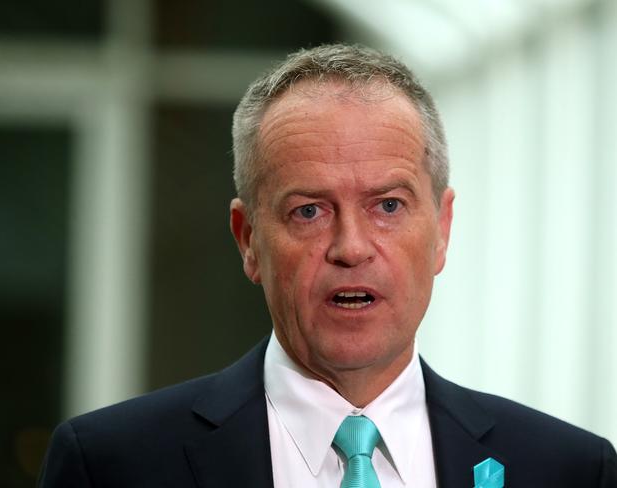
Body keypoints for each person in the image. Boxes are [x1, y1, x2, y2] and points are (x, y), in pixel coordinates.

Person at [39, 44, 617, 487]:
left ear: (441, 230)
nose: (351, 247)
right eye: (309, 211)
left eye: (387, 206)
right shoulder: (111, 465)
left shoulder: (569, 469)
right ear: (248, 241)